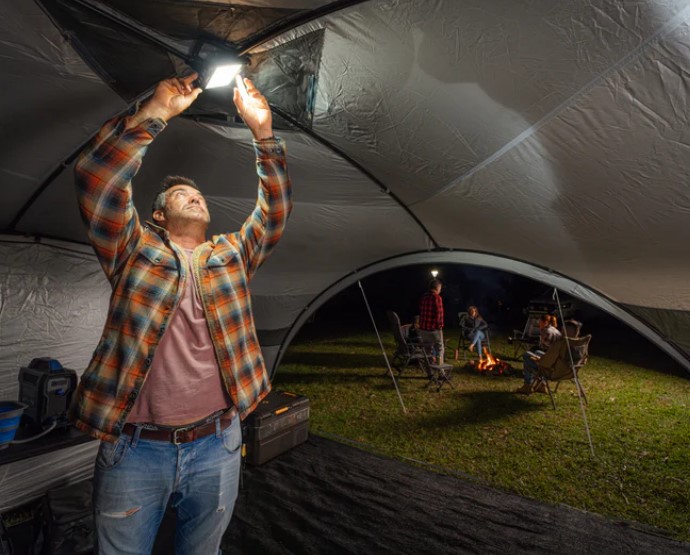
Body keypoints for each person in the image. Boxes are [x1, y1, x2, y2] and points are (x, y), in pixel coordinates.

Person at [69, 71, 292, 553]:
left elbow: (274, 213)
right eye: (180, 194)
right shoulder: (133, 249)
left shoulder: (233, 253)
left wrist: (263, 133)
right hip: (136, 449)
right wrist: (155, 114)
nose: (195, 195)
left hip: (218, 442)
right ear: (158, 216)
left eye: (198, 194)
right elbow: (96, 177)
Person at [516, 320, 582, 395]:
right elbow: (583, 359)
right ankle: (541, 385)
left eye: (563, 328)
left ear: (566, 330)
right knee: (538, 352)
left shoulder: (561, 344)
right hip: (570, 371)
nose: (561, 330)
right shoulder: (578, 343)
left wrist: (539, 360)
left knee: (527, 355)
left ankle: (527, 385)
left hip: (554, 372)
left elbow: (547, 362)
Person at [418, 279, 445, 364]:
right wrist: (440, 326)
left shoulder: (424, 297)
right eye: (440, 288)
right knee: (439, 349)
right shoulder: (437, 297)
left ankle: (429, 369)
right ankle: (440, 369)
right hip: (433, 329)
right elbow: (439, 313)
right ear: (437, 287)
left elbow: (421, 311)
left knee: (427, 351)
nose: (440, 290)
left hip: (423, 329)